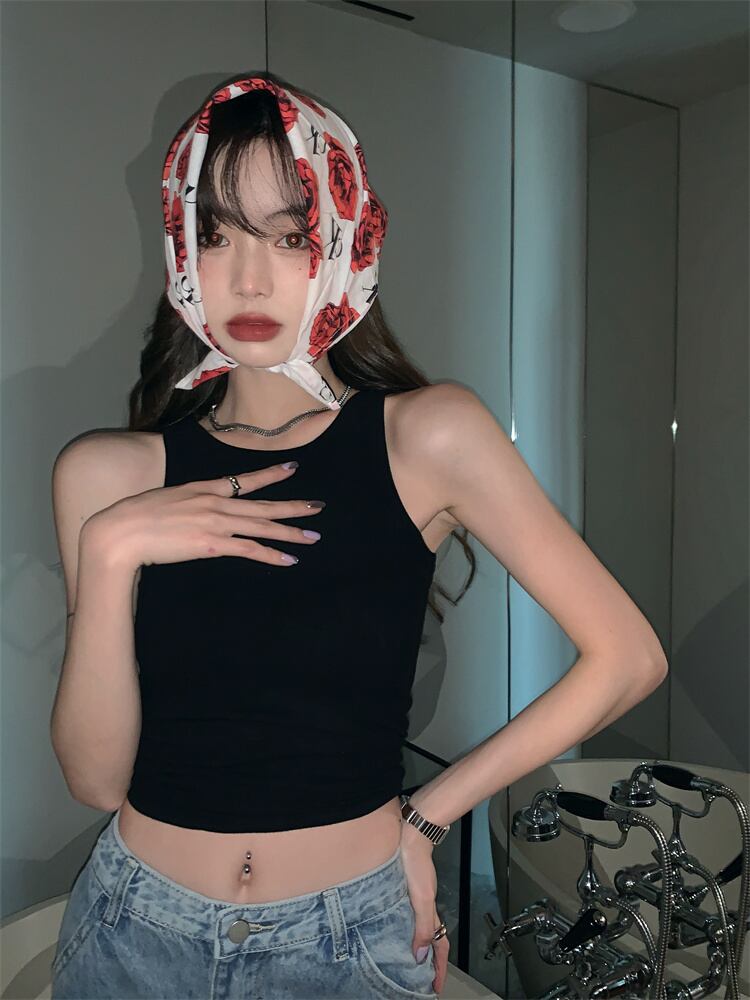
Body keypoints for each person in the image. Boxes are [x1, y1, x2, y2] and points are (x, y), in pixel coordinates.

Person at [49, 72, 669, 1000]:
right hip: (133, 932)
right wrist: (109, 555)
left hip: (350, 939)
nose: (248, 278)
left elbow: (627, 657)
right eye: (216, 235)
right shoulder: (107, 476)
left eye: (289, 237)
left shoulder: (429, 436)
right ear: (181, 248)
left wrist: (428, 817)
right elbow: (97, 782)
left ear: (345, 240)